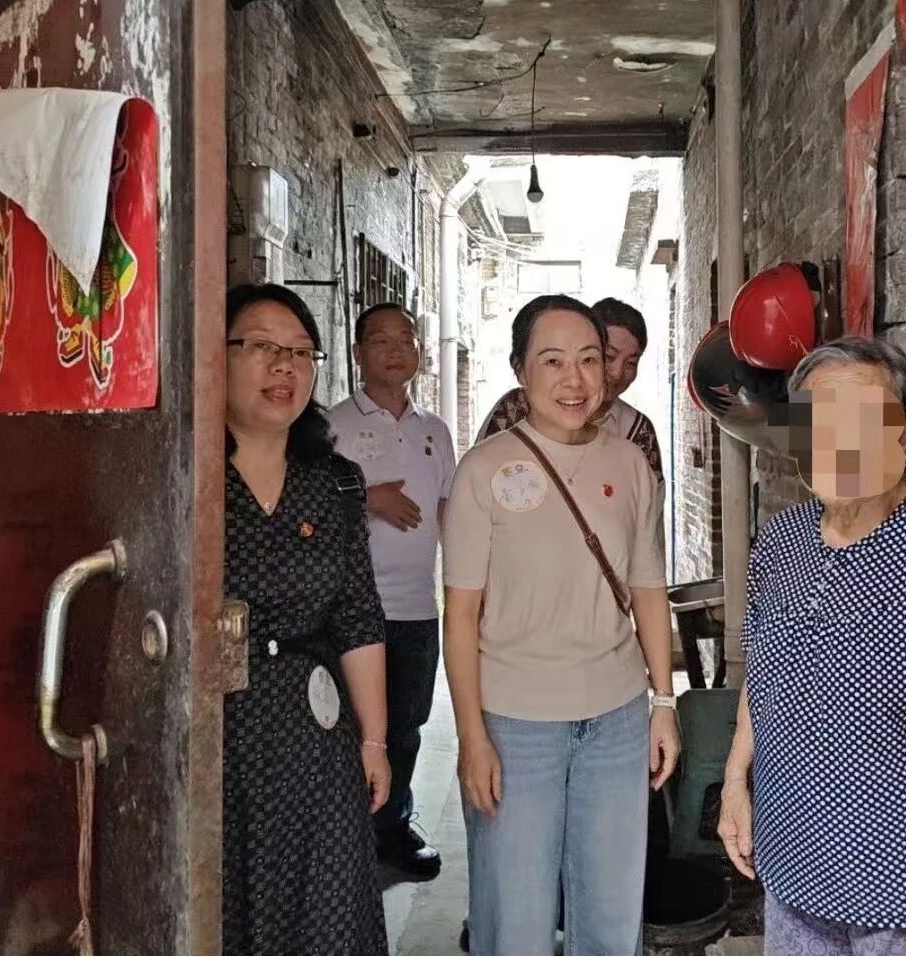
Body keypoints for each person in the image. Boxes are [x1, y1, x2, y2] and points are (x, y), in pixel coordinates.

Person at [717, 337, 906, 957]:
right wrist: (734, 780)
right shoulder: (780, 543)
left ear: (903, 437)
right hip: (790, 875)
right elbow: (764, 674)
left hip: (905, 899)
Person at [442, 294, 680, 955]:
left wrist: (663, 703)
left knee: (610, 909)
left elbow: (649, 589)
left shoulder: (630, 464)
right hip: (515, 724)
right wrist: (472, 737)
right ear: (520, 370)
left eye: (589, 360)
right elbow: (460, 617)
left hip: (616, 719)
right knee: (514, 913)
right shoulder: (482, 470)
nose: (574, 379)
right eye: (552, 361)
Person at [221, 283, 389, 955]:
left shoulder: (334, 480)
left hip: (314, 734)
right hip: (216, 729)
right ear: (215, 355)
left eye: (299, 352)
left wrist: (373, 741)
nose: (283, 366)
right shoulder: (186, 473)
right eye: (261, 346)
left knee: (325, 911)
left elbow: (358, 616)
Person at [328, 302, 455, 881]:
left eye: (407, 338)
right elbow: (305, 506)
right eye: (381, 340)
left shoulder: (434, 430)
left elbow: (449, 512)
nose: (397, 350)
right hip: (350, 610)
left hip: (417, 607)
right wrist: (366, 497)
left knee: (406, 725)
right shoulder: (332, 426)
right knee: (350, 727)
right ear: (358, 354)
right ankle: (343, 836)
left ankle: (392, 828)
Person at [475, 297, 664, 484]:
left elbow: (649, 500)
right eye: (608, 356)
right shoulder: (514, 408)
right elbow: (482, 480)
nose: (617, 373)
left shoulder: (639, 432)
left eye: (631, 363)